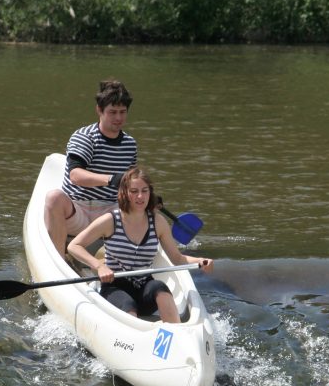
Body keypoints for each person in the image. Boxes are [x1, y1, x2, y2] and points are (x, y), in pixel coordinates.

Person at [67, 166, 214, 323]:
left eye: (145, 191)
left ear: (150, 193)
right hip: (114, 287)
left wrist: (199, 261)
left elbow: (177, 258)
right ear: (125, 193)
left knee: (160, 288)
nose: (140, 196)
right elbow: (74, 246)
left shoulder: (158, 222)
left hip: (145, 287)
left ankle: (176, 333)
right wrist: (99, 266)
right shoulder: (110, 220)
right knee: (128, 305)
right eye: (134, 191)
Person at [45, 79, 137, 256]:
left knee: (144, 206)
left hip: (108, 213)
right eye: (112, 112)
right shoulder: (85, 137)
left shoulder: (130, 144)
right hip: (77, 211)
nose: (118, 118)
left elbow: (130, 182)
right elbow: (75, 175)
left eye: (122, 112)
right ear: (99, 110)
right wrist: (111, 179)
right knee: (53, 198)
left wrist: (146, 195)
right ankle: (59, 260)